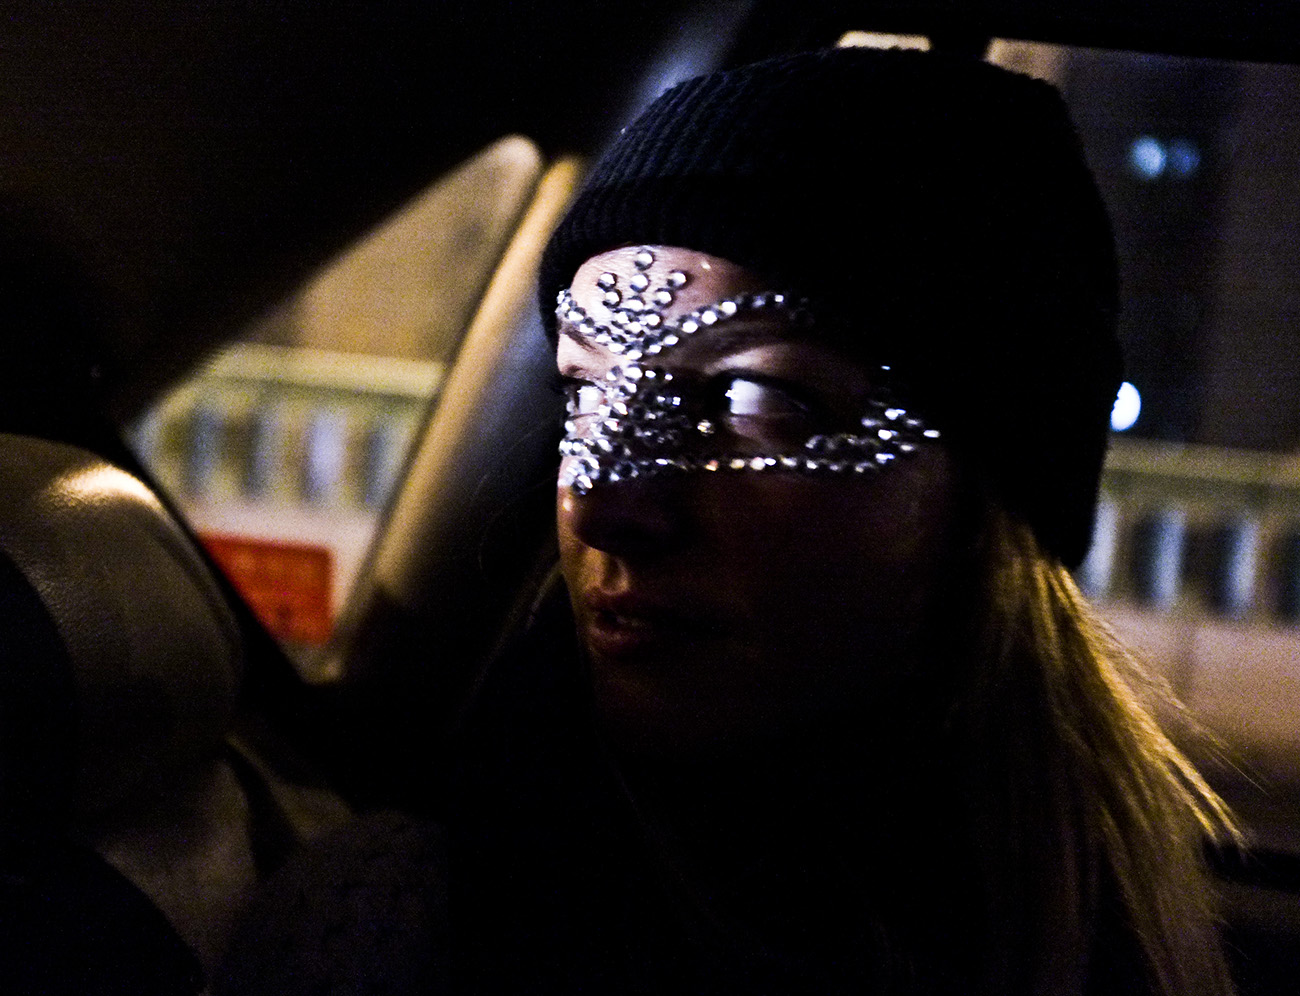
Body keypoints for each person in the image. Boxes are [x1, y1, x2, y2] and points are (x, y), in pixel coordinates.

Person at [217, 47, 1236, 996]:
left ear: (990, 495)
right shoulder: (395, 934)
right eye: (583, 393)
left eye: (758, 399)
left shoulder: (1099, 939)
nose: (607, 500)